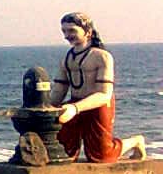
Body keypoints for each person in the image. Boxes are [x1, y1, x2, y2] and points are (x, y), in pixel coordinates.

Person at [51, 12, 146, 163]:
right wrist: (47, 107)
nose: (67, 35)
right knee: (63, 152)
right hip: (74, 105)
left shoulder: (102, 57)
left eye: (72, 31)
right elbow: (59, 89)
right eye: (64, 31)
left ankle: (136, 141)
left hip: (98, 105)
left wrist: (75, 108)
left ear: (87, 32)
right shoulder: (66, 59)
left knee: (102, 156)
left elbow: (104, 94)